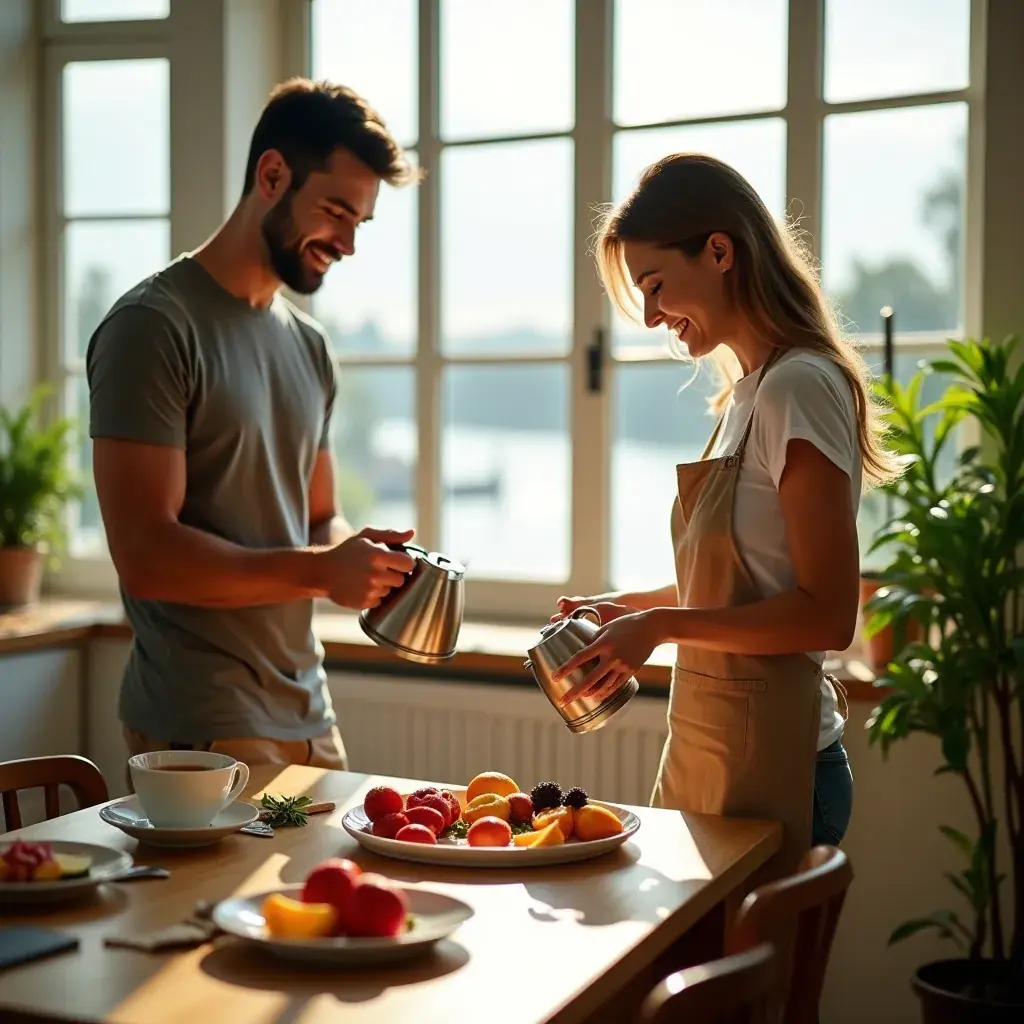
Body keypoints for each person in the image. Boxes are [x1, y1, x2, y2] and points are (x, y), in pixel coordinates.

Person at [552, 153, 900, 880]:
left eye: (654, 285)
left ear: (719, 251)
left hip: (778, 766)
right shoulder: (747, 395)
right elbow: (745, 589)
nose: (650, 316)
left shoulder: (798, 386)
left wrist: (662, 627)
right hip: (717, 754)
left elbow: (828, 615)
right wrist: (630, 613)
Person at [87, 78, 421, 776]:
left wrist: (370, 565)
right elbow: (146, 557)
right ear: (272, 175)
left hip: (310, 714)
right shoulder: (153, 327)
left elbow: (318, 519)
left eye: (360, 223)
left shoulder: (310, 346)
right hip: (202, 726)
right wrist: (322, 572)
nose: (348, 244)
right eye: (336, 211)